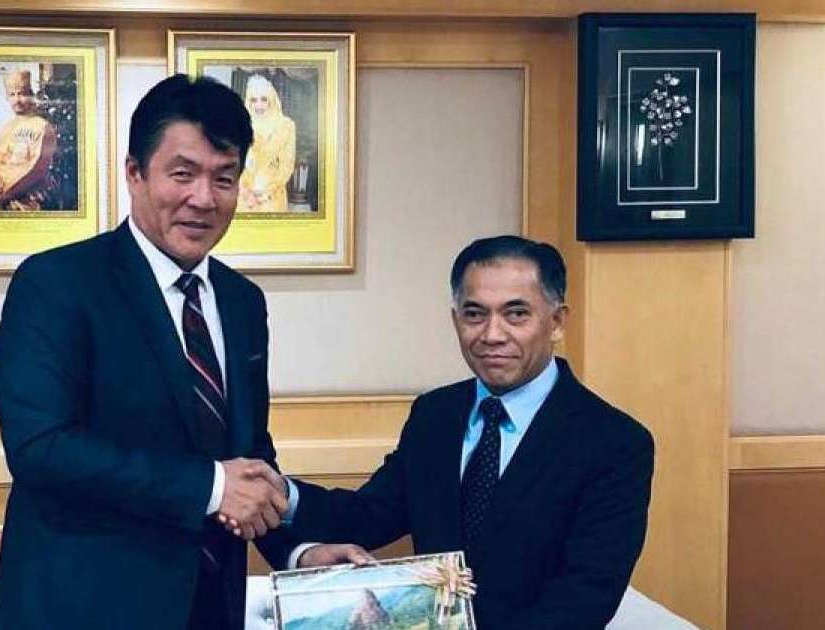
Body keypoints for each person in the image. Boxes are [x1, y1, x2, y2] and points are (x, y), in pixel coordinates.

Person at [0, 74, 297, 630]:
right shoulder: (57, 283)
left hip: (209, 610)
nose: (203, 198)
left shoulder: (243, 302)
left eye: (224, 178)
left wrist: (301, 550)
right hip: (82, 612)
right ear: (134, 172)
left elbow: (247, 458)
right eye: (183, 174)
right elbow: (42, 447)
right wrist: (210, 487)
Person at [274, 235, 655, 630]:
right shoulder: (434, 414)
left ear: (556, 322)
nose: (492, 334)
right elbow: (369, 515)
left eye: (516, 314)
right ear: (456, 320)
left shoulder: (614, 442)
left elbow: (585, 596)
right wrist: (282, 496)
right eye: (475, 314)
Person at [0, 69, 59, 210]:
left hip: (30, 204)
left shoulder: (42, 127)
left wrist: (8, 193)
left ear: (30, 95)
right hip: (3, 204)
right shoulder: (6, 128)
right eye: (12, 94)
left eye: (21, 94)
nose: (17, 100)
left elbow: (38, 168)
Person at [237, 74, 296, 213]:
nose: (259, 105)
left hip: (272, 199)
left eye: (263, 99)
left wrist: (266, 192)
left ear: (271, 100)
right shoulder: (240, 125)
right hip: (244, 199)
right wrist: (245, 192)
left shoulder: (285, 126)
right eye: (254, 100)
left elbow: (287, 166)